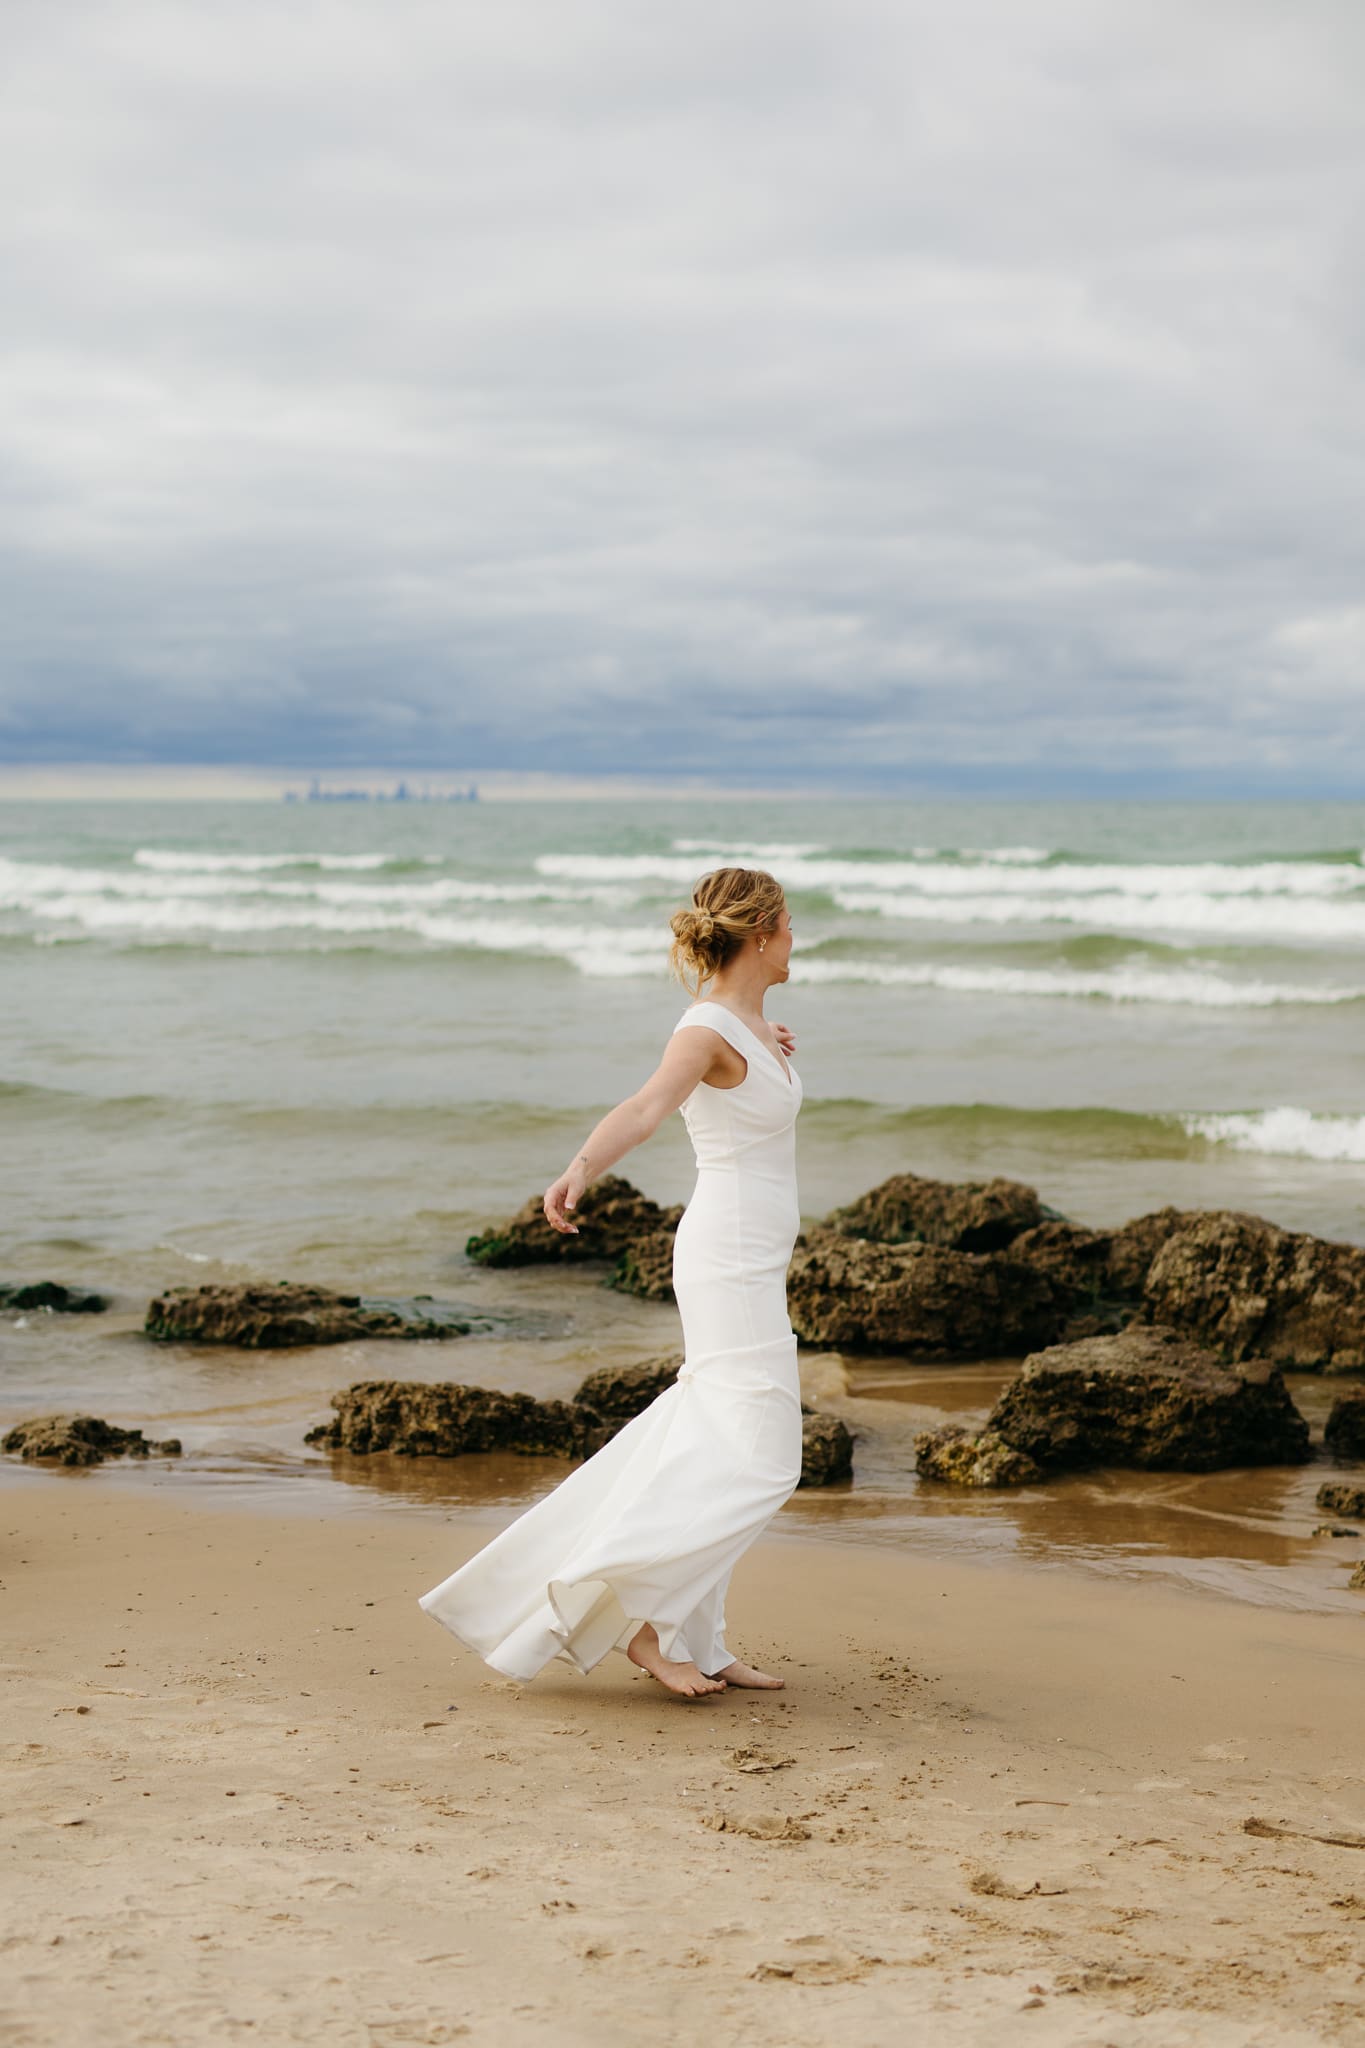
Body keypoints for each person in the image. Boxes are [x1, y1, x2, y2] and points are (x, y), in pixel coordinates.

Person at [418, 866, 804, 1699]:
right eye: (788, 924)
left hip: (753, 1257)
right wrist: (580, 1169)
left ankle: (701, 1640)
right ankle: (639, 1620)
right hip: (725, 1259)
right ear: (762, 932)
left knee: (713, 1442)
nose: (794, 939)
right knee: (766, 1462)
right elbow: (643, 1107)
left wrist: (766, 1051)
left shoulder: (748, 1026)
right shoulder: (704, 1030)